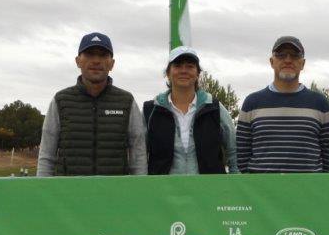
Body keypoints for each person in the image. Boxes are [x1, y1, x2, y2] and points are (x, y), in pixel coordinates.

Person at [36, 32, 146, 176]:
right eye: (89, 54)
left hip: (115, 194)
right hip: (67, 195)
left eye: (102, 55)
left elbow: (139, 157)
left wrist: (139, 190)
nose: (96, 60)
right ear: (78, 61)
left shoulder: (126, 101)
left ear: (112, 63)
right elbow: (46, 156)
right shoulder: (60, 100)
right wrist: (43, 191)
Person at [237, 36, 329, 173]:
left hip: (308, 192)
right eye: (281, 55)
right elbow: (242, 157)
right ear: (272, 62)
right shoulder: (251, 103)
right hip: (261, 192)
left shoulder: (320, 104)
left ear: (302, 63)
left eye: (295, 56)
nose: (288, 60)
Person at [143, 46, 238, 174]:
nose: (184, 71)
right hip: (163, 192)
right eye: (177, 66)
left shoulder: (215, 108)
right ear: (168, 73)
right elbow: (139, 154)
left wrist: (235, 181)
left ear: (198, 73)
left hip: (211, 191)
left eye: (190, 66)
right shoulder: (151, 111)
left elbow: (233, 150)